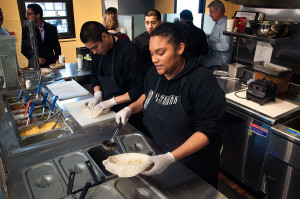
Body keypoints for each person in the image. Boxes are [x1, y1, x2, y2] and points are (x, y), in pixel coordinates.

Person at [115, 22, 225, 188]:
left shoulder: (202, 81)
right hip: (161, 158)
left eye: (160, 53)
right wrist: (130, 108)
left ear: (180, 48)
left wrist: (170, 157)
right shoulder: (155, 73)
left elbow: (207, 131)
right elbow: (148, 95)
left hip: (194, 169)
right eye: (152, 54)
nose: (154, 60)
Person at [80, 21, 144, 129]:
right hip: (107, 111)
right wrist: (97, 94)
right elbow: (94, 75)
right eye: (91, 49)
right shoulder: (96, 52)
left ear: (104, 36)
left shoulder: (129, 52)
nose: (94, 52)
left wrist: (111, 102)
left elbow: (137, 90)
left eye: (95, 47)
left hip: (128, 113)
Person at [203, 0, 232, 71]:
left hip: (218, 64)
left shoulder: (224, 25)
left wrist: (209, 45)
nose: (209, 15)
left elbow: (225, 46)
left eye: (211, 12)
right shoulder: (218, 23)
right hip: (213, 62)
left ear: (218, 10)